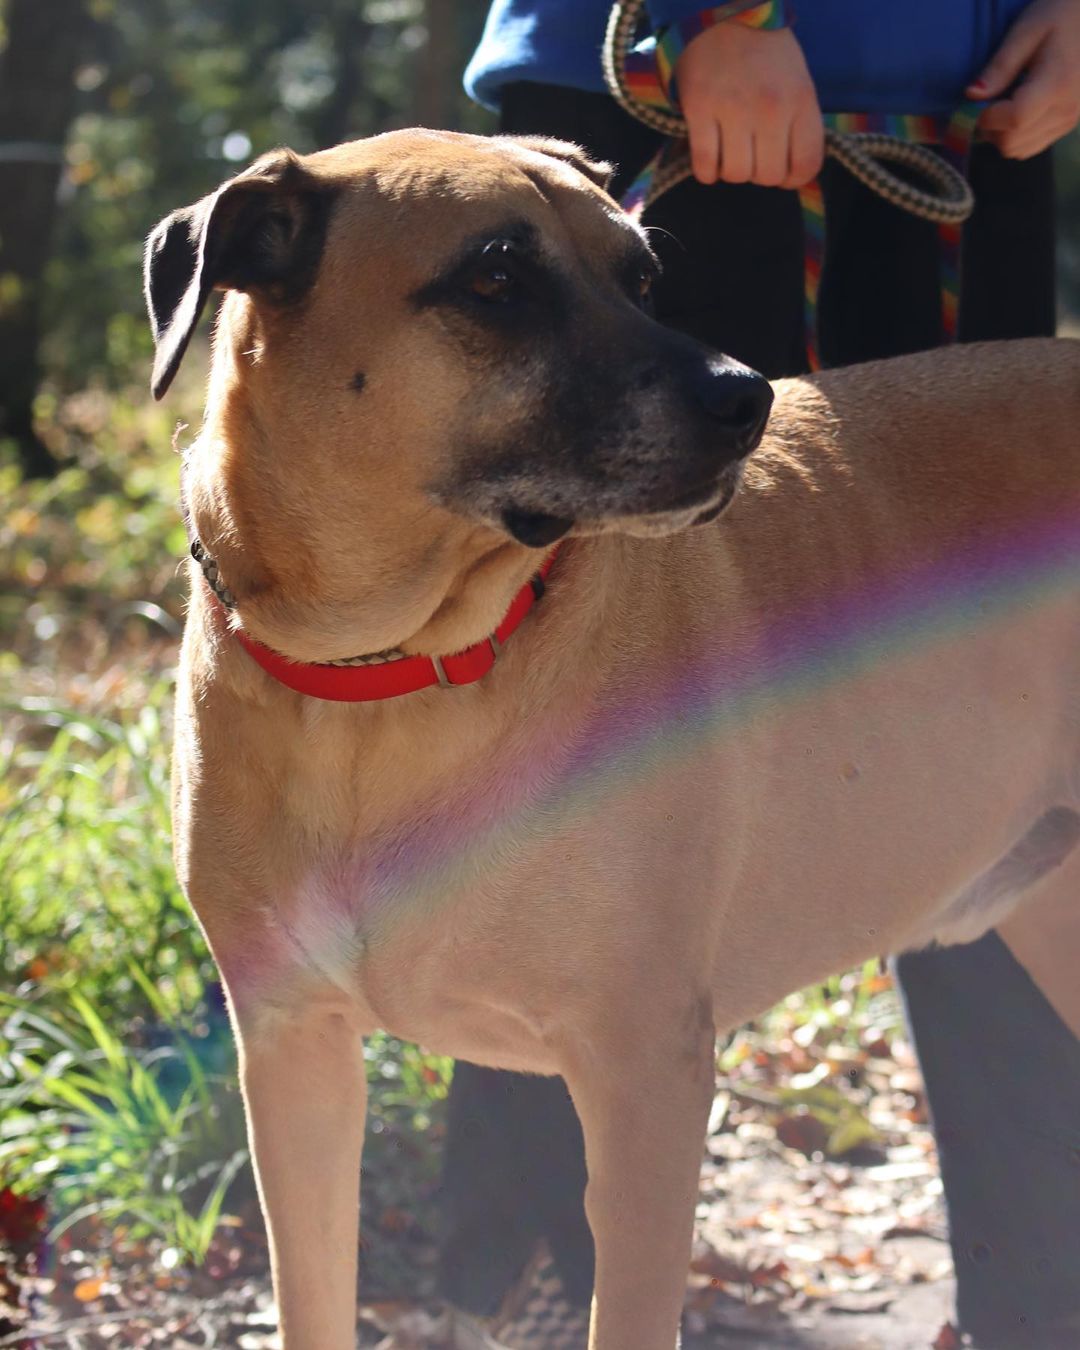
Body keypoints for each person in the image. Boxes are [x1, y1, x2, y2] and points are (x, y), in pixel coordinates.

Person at [438, 3, 1080, 1345]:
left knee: (1001, 729)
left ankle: (1040, 1300)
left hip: (968, 101)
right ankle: (526, 1290)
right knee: (573, 734)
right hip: (661, 99)